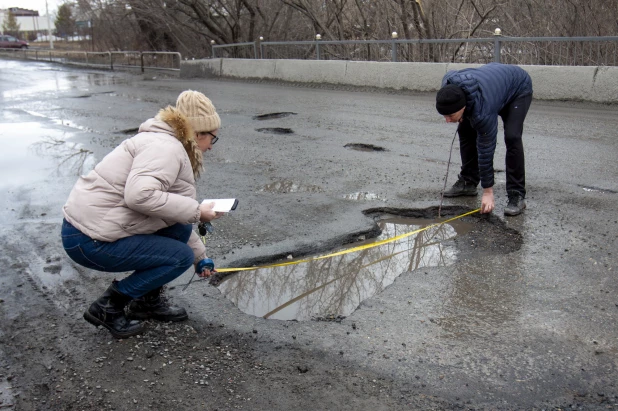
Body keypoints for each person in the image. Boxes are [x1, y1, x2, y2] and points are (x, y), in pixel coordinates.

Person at [61, 90, 223, 339]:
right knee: (178, 257)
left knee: (179, 231)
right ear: (198, 133)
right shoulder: (166, 148)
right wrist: (196, 212)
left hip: (92, 229)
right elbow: (139, 196)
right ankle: (108, 306)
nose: (211, 145)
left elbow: (169, 214)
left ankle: (146, 302)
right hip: (87, 239)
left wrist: (200, 258)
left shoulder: (167, 143)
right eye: (213, 137)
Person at [435, 62, 533, 216]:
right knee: (465, 129)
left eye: (450, 116)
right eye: (444, 116)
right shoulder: (448, 86)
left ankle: (516, 193)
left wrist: (488, 191)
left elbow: (486, 149)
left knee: (512, 136)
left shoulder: (482, 111)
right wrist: (458, 117)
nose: (447, 121)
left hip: (517, 88)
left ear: (462, 107)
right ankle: (469, 181)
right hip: (493, 86)